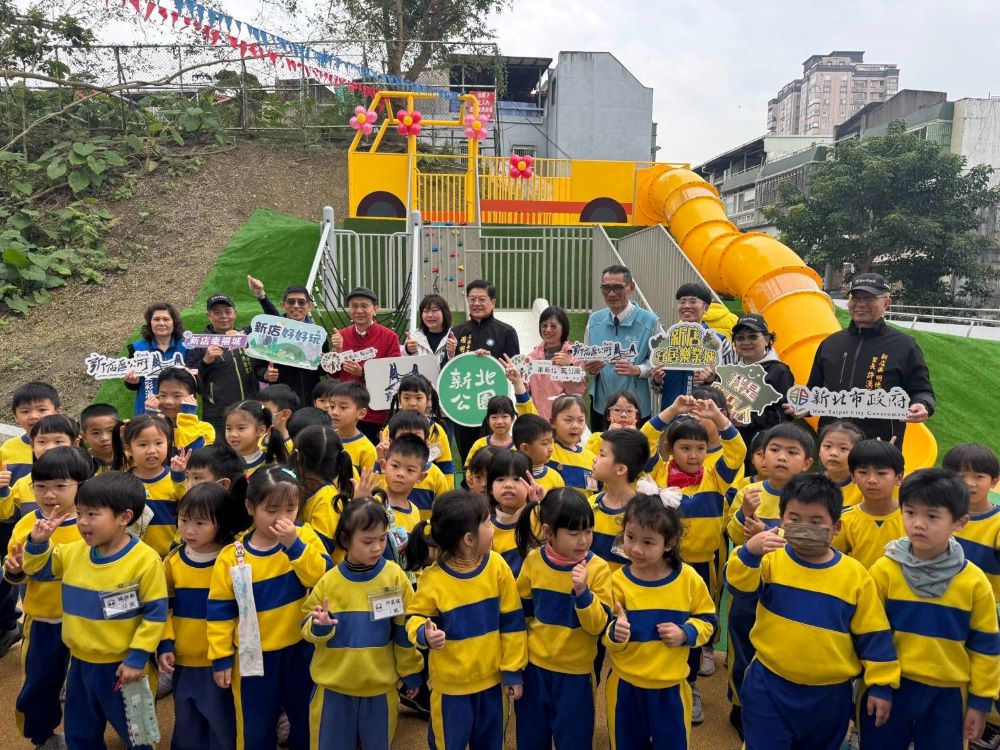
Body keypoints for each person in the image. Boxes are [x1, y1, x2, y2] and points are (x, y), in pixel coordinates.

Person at [726, 474, 900, 750]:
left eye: (816, 521)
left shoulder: (855, 576)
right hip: (769, 682)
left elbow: (874, 633)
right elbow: (740, 588)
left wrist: (880, 684)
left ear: (836, 527)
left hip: (830, 694)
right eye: (794, 519)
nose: (804, 527)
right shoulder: (771, 559)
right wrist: (749, 552)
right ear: (782, 520)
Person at [22, 471, 169, 750]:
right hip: (79, 664)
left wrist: (138, 658)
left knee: (137, 733)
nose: (82, 523)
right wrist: (38, 543)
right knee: (80, 732)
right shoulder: (72, 552)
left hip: (123, 667)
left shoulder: (145, 560)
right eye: (79, 514)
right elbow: (37, 570)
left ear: (124, 517)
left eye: (92, 514)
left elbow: (155, 613)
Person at [862, 469, 1000, 749]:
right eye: (910, 513)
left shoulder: (973, 582)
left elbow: (985, 646)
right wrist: (878, 684)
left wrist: (980, 701)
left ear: (960, 522)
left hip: (948, 695)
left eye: (932, 516)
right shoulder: (885, 570)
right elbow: (871, 632)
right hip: (893, 686)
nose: (918, 524)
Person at [207, 466, 332, 750]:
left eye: (290, 509)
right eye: (272, 510)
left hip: (301, 650)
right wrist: (221, 659)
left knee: (306, 719)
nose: (283, 519)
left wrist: (295, 546)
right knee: (255, 727)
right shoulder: (232, 556)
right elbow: (220, 612)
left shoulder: (305, 537)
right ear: (250, 507)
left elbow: (325, 578)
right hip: (253, 660)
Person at [403, 490, 527, 750]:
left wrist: (513, 669)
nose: (493, 528)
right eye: (488, 523)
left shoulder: (497, 567)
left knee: (492, 743)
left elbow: (513, 622)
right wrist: (425, 634)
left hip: (492, 683)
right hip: (450, 689)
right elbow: (414, 618)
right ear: (469, 539)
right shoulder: (432, 579)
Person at [301, 497, 422, 750]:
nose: (377, 547)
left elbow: (404, 631)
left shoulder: (395, 577)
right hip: (333, 690)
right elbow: (306, 624)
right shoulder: (329, 582)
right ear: (346, 540)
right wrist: (320, 626)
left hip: (380, 690)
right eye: (367, 541)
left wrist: (411, 673)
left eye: (381, 538)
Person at [603, 492, 717, 749]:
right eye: (630, 537)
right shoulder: (618, 580)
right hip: (625, 686)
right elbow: (606, 629)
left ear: (669, 543)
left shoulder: (687, 579)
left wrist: (685, 633)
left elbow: (708, 620)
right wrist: (614, 632)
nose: (635, 549)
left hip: (671, 688)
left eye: (648, 542)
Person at [3, 447, 91, 749]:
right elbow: (17, 572)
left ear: (81, 484)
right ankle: (42, 736)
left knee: (85, 685)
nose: (49, 494)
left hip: (88, 621)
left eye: (60, 486)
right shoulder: (27, 524)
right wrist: (14, 570)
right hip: (43, 621)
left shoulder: (89, 523)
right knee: (41, 682)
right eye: (40, 486)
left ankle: (85, 736)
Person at [514, 488, 612, 750]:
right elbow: (519, 616)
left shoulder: (598, 569)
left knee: (575, 740)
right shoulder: (534, 562)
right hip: (534, 668)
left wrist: (583, 593)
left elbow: (598, 626)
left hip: (576, 672)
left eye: (588, 531)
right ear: (548, 532)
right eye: (574, 533)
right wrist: (513, 665)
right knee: (531, 738)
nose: (583, 540)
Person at [805, 273, 935, 448]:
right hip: (834, 447)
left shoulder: (904, 345)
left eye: (868, 298)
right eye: (856, 297)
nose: (860, 304)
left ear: (886, 303)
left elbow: (922, 390)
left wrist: (922, 404)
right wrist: (800, 405)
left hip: (881, 448)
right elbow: (813, 390)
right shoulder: (830, 344)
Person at [158, 483, 243, 750]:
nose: (188, 530)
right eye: (183, 520)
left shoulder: (232, 560)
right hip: (184, 659)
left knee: (222, 721)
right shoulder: (173, 562)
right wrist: (165, 643)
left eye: (200, 523)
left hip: (223, 660)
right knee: (187, 719)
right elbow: (163, 606)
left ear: (221, 523)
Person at [0, 381, 61, 658]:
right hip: (22, 531)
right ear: (15, 417)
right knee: (25, 581)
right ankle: (27, 631)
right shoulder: (10, 451)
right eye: (25, 411)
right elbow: (7, 510)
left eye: (41, 409)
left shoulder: (67, 445)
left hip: (63, 534)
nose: (33, 416)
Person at [446, 280, 521, 459]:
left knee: (496, 458)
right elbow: (449, 372)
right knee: (468, 458)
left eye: (482, 299)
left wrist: (491, 361)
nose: (476, 304)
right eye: (472, 299)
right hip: (464, 406)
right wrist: (450, 354)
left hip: (495, 409)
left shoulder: (506, 332)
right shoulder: (457, 332)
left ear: (493, 303)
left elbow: (516, 369)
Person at [583, 265, 660, 430]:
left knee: (635, 454)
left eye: (618, 288)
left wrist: (638, 369)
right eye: (606, 288)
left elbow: (660, 361)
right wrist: (590, 368)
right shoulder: (594, 321)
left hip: (635, 408)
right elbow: (586, 357)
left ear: (631, 288)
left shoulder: (650, 322)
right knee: (601, 451)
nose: (611, 294)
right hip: (602, 407)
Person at [329, 286, 402, 442]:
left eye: (364, 306)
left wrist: (363, 373)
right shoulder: (341, 335)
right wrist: (336, 351)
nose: (359, 310)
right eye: (354, 306)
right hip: (346, 411)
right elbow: (333, 374)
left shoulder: (389, 337)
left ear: (375, 309)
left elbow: (393, 376)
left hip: (377, 412)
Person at [110, 415, 188, 558]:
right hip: (134, 556)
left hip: (172, 555)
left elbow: (189, 505)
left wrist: (179, 478)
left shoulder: (176, 478)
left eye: (158, 443)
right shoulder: (123, 483)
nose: (151, 450)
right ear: (129, 449)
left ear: (168, 443)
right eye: (143, 445)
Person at [652, 282, 736, 412]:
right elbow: (660, 388)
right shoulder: (667, 341)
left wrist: (711, 380)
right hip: (670, 415)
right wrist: (657, 381)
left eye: (692, 301)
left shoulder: (719, 342)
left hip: (703, 416)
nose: (686, 306)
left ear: (706, 308)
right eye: (682, 301)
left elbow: (730, 385)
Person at [184, 294, 260, 436]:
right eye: (217, 312)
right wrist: (205, 361)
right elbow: (187, 380)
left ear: (235, 313)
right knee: (222, 455)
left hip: (252, 409)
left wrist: (261, 296)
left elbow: (273, 320)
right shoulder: (200, 342)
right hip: (218, 415)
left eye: (227, 311)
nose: (223, 316)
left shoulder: (245, 337)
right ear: (208, 316)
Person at [728, 314, 793, 472]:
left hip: (763, 451)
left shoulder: (779, 371)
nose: (746, 342)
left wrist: (748, 420)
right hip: (732, 447)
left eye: (752, 337)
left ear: (766, 340)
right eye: (740, 338)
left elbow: (783, 416)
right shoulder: (730, 371)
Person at [251, 286, 331, 408]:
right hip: (280, 400)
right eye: (291, 301)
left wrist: (329, 358)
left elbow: (322, 369)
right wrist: (265, 374)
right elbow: (257, 366)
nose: (296, 306)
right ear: (283, 305)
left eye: (301, 302)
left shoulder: (318, 335)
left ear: (309, 306)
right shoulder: (270, 332)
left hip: (310, 399)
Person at [832, 440, 905, 570]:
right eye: (863, 472)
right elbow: (832, 558)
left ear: (898, 478)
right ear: (853, 476)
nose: (872, 480)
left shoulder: (911, 518)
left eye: (881, 473)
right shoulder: (844, 520)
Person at [943, 443, 1000, 601]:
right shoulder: (938, 514)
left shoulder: (996, 524)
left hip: (985, 606)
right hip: (943, 601)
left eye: (979, 476)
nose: (969, 483)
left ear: (994, 481)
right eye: (961, 476)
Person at [590, 428, 651, 573]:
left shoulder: (643, 513)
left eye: (602, 454)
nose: (595, 458)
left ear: (620, 469)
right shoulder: (591, 503)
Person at [291, 424, 357, 556]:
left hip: (323, 572)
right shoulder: (295, 485)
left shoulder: (327, 499)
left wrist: (288, 524)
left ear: (298, 456)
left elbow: (321, 550)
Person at [124, 302, 188, 417]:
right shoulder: (137, 348)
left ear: (174, 323)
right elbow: (132, 385)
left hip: (178, 410)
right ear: (150, 323)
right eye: (156, 319)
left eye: (166, 319)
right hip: (147, 409)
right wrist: (132, 381)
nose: (161, 323)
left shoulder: (186, 347)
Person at [526, 305, 586, 420]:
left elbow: (578, 392)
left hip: (562, 422)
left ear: (563, 328)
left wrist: (569, 367)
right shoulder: (531, 358)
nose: (548, 330)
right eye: (544, 325)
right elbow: (526, 393)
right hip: (536, 423)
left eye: (553, 326)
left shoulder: (573, 356)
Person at [487, 450, 537, 575]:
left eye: (516, 479)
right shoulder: (486, 527)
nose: (508, 485)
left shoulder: (538, 516)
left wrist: (540, 503)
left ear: (530, 483)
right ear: (491, 489)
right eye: (500, 479)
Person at [223, 400, 289, 475]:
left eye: (241, 428)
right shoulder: (219, 462)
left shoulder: (272, 465)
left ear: (260, 430)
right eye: (229, 428)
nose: (233, 434)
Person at [327, 382, 378, 473]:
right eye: (332, 406)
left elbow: (371, 484)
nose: (334, 412)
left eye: (343, 407)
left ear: (361, 413)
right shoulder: (325, 437)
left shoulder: (367, 450)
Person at [818, 420, 866, 508]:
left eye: (843, 448)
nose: (833, 453)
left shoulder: (864, 486)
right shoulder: (809, 484)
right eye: (827, 446)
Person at [512, 414, 564, 494]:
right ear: (525, 448)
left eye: (551, 442)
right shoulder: (511, 477)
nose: (551, 449)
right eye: (545, 443)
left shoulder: (555, 478)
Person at [465, 395, 517, 468]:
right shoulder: (479, 444)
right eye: (494, 417)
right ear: (488, 420)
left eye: (504, 416)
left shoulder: (518, 446)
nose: (499, 421)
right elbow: (468, 468)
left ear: (512, 418)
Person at [404, 293, 453, 368]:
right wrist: (409, 351)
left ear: (444, 313)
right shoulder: (413, 338)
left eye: (434, 310)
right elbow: (405, 366)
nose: (430, 315)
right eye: (426, 311)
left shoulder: (454, 337)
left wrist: (452, 353)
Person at [80, 403, 119, 470]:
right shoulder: (81, 464)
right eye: (96, 433)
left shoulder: (132, 456)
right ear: (84, 437)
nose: (104, 438)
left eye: (110, 431)